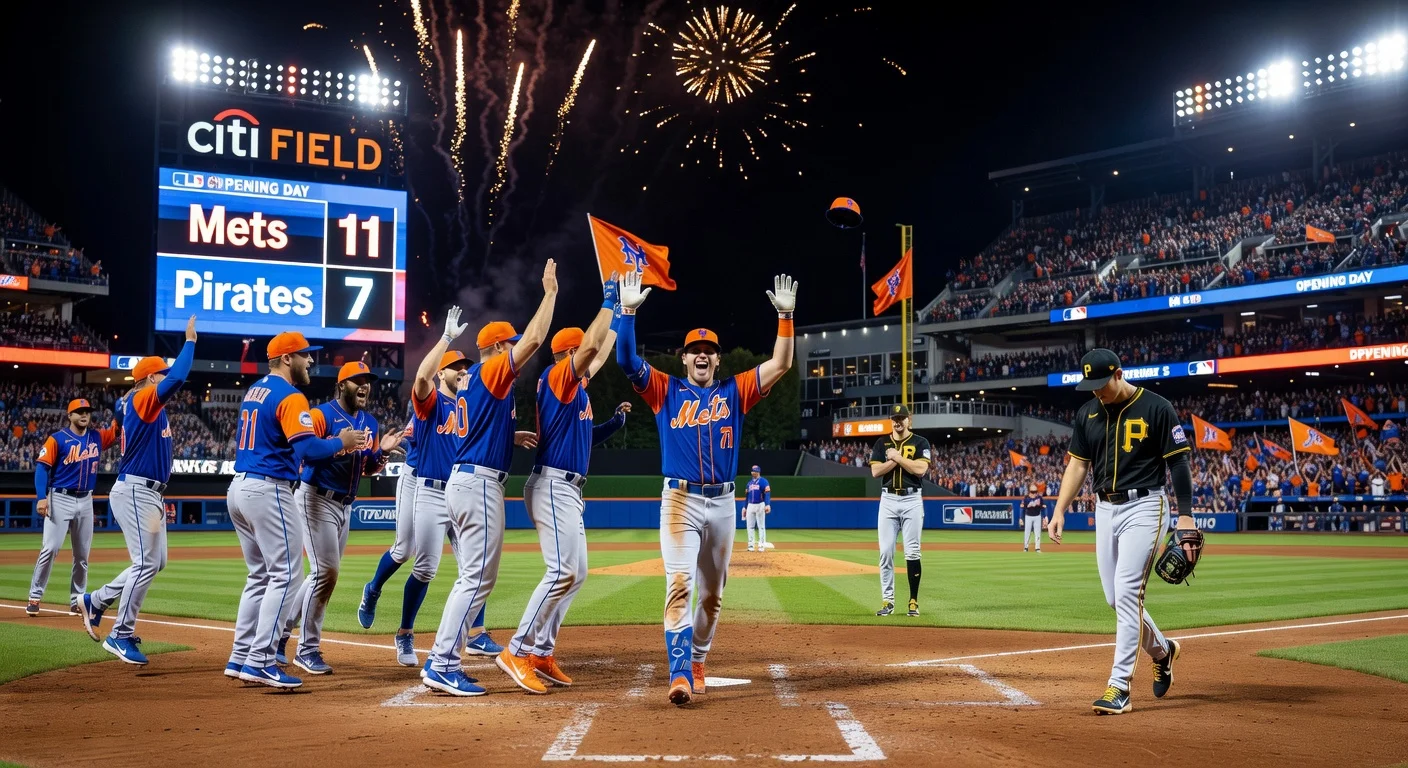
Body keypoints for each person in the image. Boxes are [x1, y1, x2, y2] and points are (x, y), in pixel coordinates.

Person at [614, 269, 796, 707]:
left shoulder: (736, 390)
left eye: (708, 351)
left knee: (713, 596)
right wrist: (628, 312)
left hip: (723, 503)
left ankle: (697, 659)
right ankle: (678, 674)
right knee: (679, 583)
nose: (701, 356)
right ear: (683, 358)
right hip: (679, 499)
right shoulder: (664, 390)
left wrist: (786, 319)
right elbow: (625, 360)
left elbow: (781, 364)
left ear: (718, 360)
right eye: (694, 350)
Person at [422, 259, 558, 697]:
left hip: (469, 479)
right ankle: (442, 662)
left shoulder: (476, 383)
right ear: (498, 349)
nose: (515, 350)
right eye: (510, 346)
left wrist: (506, 433)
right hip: (477, 484)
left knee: (476, 576)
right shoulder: (490, 371)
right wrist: (550, 292)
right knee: (476, 578)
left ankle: (444, 658)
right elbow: (537, 337)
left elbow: (478, 425)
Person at [1047, 348, 1199, 715]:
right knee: (1115, 599)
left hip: (1146, 505)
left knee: (1128, 592)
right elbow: (1078, 466)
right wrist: (1059, 509)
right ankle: (1163, 651)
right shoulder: (1088, 413)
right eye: (1092, 387)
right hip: (1104, 507)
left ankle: (1119, 688)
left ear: (1119, 374)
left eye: (1102, 384)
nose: (1097, 392)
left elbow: (1178, 462)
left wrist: (1186, 516)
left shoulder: (1157, 408)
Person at [498, 276, 629, 694]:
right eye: (582, 355)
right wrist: (607, 299)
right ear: (571, 354)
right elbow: (593, 346)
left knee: (578, 573)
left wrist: (625, 314)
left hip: (566, 488)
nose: (591, 362)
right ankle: (516, 650)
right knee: (562, 571)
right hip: (553, 485)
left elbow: (600, 348)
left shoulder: (576, 391)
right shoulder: (559, 377)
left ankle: (540, 651)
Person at [224, 331, 362, 688]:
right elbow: (308, 451)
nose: (311, 361)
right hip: (268, 488)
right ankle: (261, 660)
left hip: (240, 487)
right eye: (305, 355)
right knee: (287, 575)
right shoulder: (290, 394)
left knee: (259, 577)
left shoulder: (256, 390)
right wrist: (341, 442)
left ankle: (240, 656)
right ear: (287, 358)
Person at [359, 343, 499, 668]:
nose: (464, 370)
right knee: (406, 552)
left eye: (466, 366)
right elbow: (421, 397)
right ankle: (378, 595)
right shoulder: (430, 403)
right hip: (421, 480)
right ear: (441, 373)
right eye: (456, 366)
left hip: (459, 490)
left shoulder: (469, 405)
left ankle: (476, 633)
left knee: (475, 566)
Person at [78, 317, 197, 666]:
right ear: (148, 379)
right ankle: (120, 634)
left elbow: (120, 410)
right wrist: (189, 342)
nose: (164, 379)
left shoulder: (136, 401)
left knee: (155, 562)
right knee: (145, 561)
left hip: (149, 494)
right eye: (159, 374)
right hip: (136, 491)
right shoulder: (146, 397)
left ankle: (96, 600)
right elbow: (177, 378)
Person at [278, 362, 405, 675]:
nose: (364, 385)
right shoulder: (322, 415)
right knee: (327, 574)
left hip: (345, 505)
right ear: (342, 385)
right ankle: (307, 650)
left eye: (367, 381)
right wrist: (339, 446)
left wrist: (383, 454)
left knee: (319, 575)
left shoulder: (370, 423)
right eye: (357, 380)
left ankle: (280, 636)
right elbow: (305, 453)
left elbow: (369, 467)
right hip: (315, 497)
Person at [27, 399, 117, 616]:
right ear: (70, 415)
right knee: (50, 548)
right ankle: (35, 597)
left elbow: (118, 428)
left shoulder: (97, 437)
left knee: (82, 555)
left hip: (86, 499)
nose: (84, 415)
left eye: (87, 412)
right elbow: (42, 469)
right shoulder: (57, 439)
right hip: (60, 497)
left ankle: (77, 600)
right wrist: (41, 497)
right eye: (79, 412)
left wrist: (124, 405)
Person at [870, 406, 931, 618]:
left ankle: (913, 601)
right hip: (888, 499)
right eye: (895, 418)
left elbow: (921, 469)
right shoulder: (881, 443)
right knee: (886, 552)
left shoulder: (920, 442)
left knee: (912, 551)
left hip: (912, 499)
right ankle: (888, 600)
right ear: (891, 420)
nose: (898, 421)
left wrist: (896, 457)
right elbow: (875, 471)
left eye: (901, 418)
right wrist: (895, 459)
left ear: (908, 420)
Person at [742, 465, 771, 552]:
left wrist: (767, 504)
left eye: (754, 471)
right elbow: (747, 497)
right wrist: (745, 507)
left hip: (760, 504)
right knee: (750, 526)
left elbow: (767, 493)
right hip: (750, 505)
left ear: (758, 472)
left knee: (761, 526)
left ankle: (761, 545)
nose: (753, 472)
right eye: (752, 471)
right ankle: (751, 545)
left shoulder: (764, 482)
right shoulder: (749, 483)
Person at [1021, 483, 1045, 553]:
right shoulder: (1026, 498)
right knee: (1027, 532)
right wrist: (1021, 518)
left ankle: (1037, 548)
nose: (1034, 493)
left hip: (1037, 516)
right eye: (1032, 492)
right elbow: (1022, 508)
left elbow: (1043, 508)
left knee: (1037, 532)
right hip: (1028, 516)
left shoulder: (1039, 498)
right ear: (1029, 491)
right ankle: (1026, 547)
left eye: (1035, 492)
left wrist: (1044, 517)